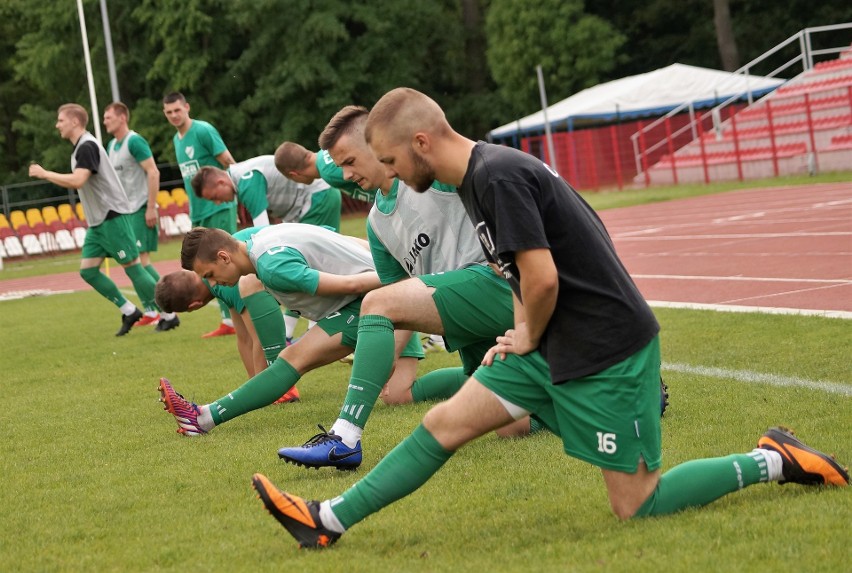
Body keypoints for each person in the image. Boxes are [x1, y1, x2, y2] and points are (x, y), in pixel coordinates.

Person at [251, 87, 849, 549]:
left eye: (389, 160)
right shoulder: (473, 182)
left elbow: (543, 279)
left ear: (422, 143)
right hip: (548, 342)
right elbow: (518, 273)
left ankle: (776, 458)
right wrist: (520, 334)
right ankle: (326, 519)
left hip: (604, 347)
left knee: (637, 503)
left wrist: (527, 331)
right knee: (445, 424)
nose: (391, 175)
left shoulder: (497, 175)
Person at [275, 104, 528, 471]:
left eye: (349, 161)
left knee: (377, 301)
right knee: (513, 426)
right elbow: (400, 312)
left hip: (502, 288)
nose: (344, 174)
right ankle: (573, 396)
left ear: (376, 144)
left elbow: (493, 177)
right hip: (470, 325)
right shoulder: (377, 226)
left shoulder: (431, 172)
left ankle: (344, 439)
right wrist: (378, 369)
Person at [156, 223, 426, 443]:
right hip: (376, 297)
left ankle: (202, 418)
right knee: (398, 394)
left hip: (375, 299)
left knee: (294, 359)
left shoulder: (273, 269)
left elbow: (352, 283)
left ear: (224, 257)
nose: (213, 284)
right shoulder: (261, 241)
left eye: (210, 274)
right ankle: (202, 417)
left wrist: (406, 282)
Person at [28, 104, 168, 337]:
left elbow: (78, 180)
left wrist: (45, 174)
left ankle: (169, 313)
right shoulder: (81, 148)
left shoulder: (87, 146)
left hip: (112, 216)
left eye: (60, 120)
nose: (57, 125)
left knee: (134, 267)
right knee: (88, 271)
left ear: (74, 122)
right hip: (98, 223)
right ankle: (129, 310)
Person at [163, 91, 237, 338]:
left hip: (219, 207)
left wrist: (236, 197)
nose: (174, 115)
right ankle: (227, 319)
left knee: (225, 261)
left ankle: (239, 314)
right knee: (204, 265)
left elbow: (228, 162)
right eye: (169, 112)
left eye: (177, 110)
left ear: (187, 107)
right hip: (199, 212)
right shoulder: (177, 140)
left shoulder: (203, 130)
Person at [103, 101, 179, 330]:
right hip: (124, 211)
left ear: (122, 118)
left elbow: (153, 171)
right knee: (131, 263)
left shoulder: (134, 141)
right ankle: (150, 310)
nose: (105, 121)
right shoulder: (112, 145)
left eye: (109, 117)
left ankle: (168, 310)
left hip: (140, 208)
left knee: (141, 262)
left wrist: (151, 206)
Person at [190, 156, 342, 231]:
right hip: (308, 204)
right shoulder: (240, 179)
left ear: (221, 182)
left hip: (317, 198)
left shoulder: (246, 181)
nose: (218, 202)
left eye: (215, 197)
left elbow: (263, 229)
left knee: (320, 257)